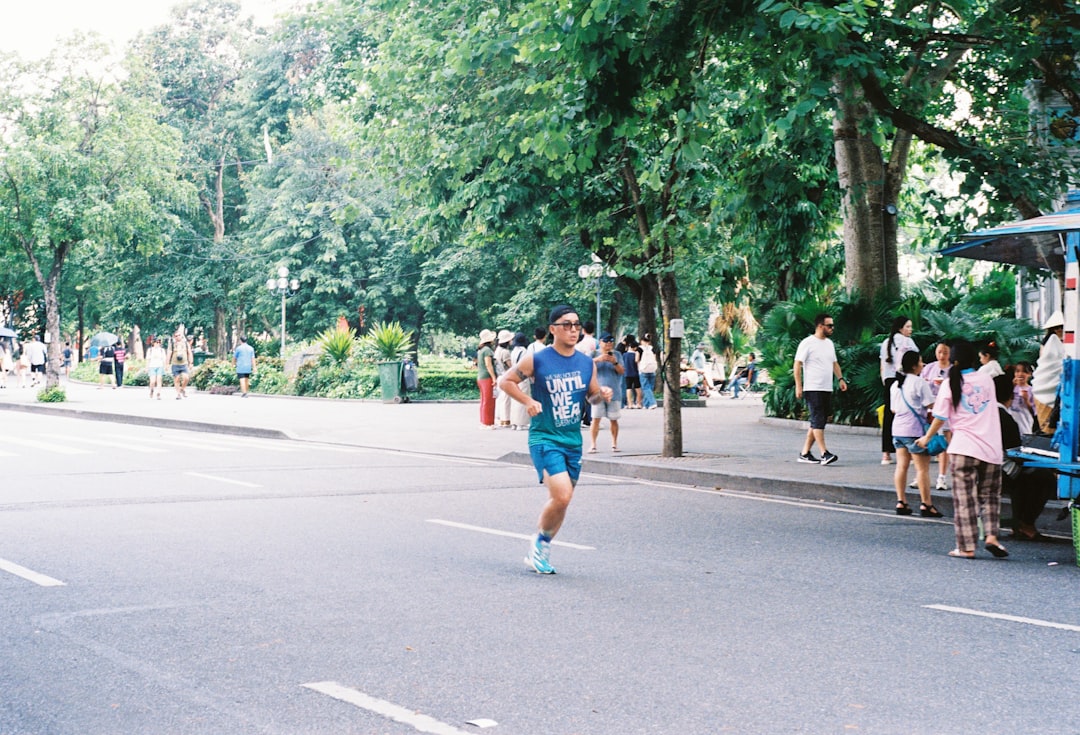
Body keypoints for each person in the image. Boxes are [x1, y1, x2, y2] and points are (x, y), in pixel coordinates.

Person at [498, 305, 612, 574]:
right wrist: (528, 400)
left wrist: (602, 394)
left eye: (576, 324)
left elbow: (591, 396)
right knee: (561, 495)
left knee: (565, 499)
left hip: (572, 441)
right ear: (553, 329)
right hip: (544, 437)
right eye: (566, 324)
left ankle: (543, 543)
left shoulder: (586, 363)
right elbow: (505, 381)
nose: (573, 329)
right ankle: (538, 545)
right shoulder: (537, 359)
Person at [916, 341, 1007, 559]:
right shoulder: (986, 379)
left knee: (965, 499)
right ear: (975, 358)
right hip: (992, 447)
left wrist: (926, 438)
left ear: (953, 360)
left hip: (963, 448)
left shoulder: (949, 383)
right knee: (991, 496)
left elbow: (940, 417)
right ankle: (992, 536)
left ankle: (966, 547)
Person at [995, 374, 1055, 541]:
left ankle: (1019, 524)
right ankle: (1026, 524)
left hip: (982, 466)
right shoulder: (1004, 418)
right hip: (1000, 470)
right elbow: (1015, 452)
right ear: (1009, 395)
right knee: (1043, 478)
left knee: (1025, 476)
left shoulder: (985, 413)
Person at [889, 350, 943, 517]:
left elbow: (893, 409)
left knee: (901, 466)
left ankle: (901, 501)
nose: (923, 365)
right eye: (920, 362)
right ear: (914, 365)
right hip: (915, 431)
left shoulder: (895, 384)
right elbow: (931, 405)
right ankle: (926, 504)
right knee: (922, 469)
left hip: (897, 430)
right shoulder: (920, 383)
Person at [794, 313, 847, 465]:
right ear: (820, 326)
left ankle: (804, 453)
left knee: (819, 420)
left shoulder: (829, 344)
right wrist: (799, 385)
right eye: (829, 325)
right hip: (813, 387)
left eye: (832, 325)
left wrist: (840, 379)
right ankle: (824, 453)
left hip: (826, 387)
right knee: (818, 419)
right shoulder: (807, 343)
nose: (832, 328)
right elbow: (797, 364)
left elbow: (834, 363)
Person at [879, 316, 917, 465]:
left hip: (889, 380)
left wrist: (885, 381)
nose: (910, 330)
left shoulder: (886, 342)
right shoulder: (908, 342)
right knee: (908, 413)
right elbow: (914, 361)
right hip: (904, 379)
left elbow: (882, 364)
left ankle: (886, 454)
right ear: (901, 328)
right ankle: (912, 451)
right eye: (908, 327)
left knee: (889, 415)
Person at [919, 341, 953, 491]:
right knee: (925, 441)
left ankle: (942, 477)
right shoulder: (929, 368)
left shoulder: (953, 370)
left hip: (946, 410)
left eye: (945, 353)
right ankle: (920, 475)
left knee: (944, 443)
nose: (942, 356)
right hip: (929, 408)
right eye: (939, 352)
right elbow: (920, 382)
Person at [589, 332, 625, 453]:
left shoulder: (618, 355)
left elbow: (622, 371)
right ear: (600, 342)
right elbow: (585, 366)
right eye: (606, 341)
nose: (609, 343)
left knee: (614, 419)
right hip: (597, 392)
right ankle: (593, 444)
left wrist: (614, 362)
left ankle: (614, 444)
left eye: (611, 341)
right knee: (596, 419)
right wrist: (598, 360)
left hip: (614, 392)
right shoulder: (593, 354)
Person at [1032, 310, 1064, 432]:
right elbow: (1045, 363)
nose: (1059, 330)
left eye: (1061, 327)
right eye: (1056, 328)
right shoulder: (1048, 344)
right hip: (1047, 385)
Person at [575, 321, 598, 427]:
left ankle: (579, 418)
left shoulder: (579, 344)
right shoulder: (597, 342)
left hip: (581, 372)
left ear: (583, 330)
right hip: (594, 371)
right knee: (592, 394)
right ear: (593, 330)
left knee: (581, 395)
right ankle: (589, 418)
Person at [508, 332, 531, 430]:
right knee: (522, 399)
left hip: (514, 376)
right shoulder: (524, 351)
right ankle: (520, 423)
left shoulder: (513, 351)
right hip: (522, 377)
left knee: (514, 399)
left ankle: (514, 422)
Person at [1008, 361, 1037, 436]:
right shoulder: (1011, 387)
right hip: (1010, 423)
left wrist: (1026, 400)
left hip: (1024, 425)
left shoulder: (1032, 390)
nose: (1020, 374)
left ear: (1030, 374)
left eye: (1024, 371)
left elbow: (1034, 412)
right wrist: (1012, 387)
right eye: (1017, 371)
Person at [476, 329, 497, 429]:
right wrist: (494, 378)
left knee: (484, 400)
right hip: (487, 378)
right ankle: (488, 423)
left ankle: (483, 421)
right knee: (489, 401)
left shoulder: (481, 350)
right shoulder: (487, 351)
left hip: (480, 377)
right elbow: (489, 365)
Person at [493, 330, 514, 427]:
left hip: (499, 376)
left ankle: (499, 418)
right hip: (505, 376)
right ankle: (505, 420)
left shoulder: (497, 350)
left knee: (500, 399)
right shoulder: (505, 352)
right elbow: (510, 366)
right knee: (506, 399)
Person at [166, 328, 193, 399]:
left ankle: (182, 389)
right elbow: (169, 353)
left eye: (179, 335)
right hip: (175, 364)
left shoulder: (186, 343)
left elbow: (189, 353)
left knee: (186, 378)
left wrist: (191, 363)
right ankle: (178, 394)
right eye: (176, 336)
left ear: (182, 336)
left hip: (184, 364)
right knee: (177, 379)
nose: (178, 337)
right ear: (174, 337)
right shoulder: (172, 344)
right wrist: (167, 364)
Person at [638, 333, 659, 410]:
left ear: (641, 341)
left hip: (643, 370)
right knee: (650, 387)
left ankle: (652, 403)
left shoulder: (639, 349)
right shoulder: (652, 348)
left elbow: (637, 359)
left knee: (646, 387)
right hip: (652, 369)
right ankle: (646, 405)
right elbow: (655, 358)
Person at [621, 334, 642, 409]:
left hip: (627, 373)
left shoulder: (624, 355)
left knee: (628, 388)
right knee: (638, 388)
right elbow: (637, 363)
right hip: (636, 373)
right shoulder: (636, 355)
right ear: (635, 347)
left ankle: (630, 404)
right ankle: (639, 403)